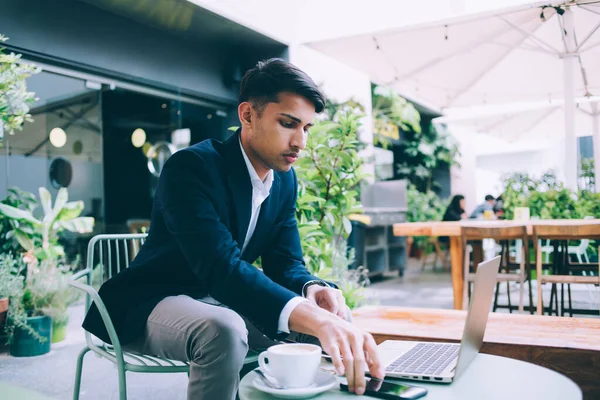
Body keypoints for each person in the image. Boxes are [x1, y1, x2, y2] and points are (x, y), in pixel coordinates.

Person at [82, 58, 383, 399]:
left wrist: (312, 289)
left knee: (324, 324)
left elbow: (285, 262)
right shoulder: (191, 168)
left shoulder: (284, 181)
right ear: (247, 115)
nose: (301, 142)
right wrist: (311, 317)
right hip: (150, 301)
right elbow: (220, 267)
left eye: (307, 128)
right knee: (224, 329)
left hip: (219, 298)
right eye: (288, 124)